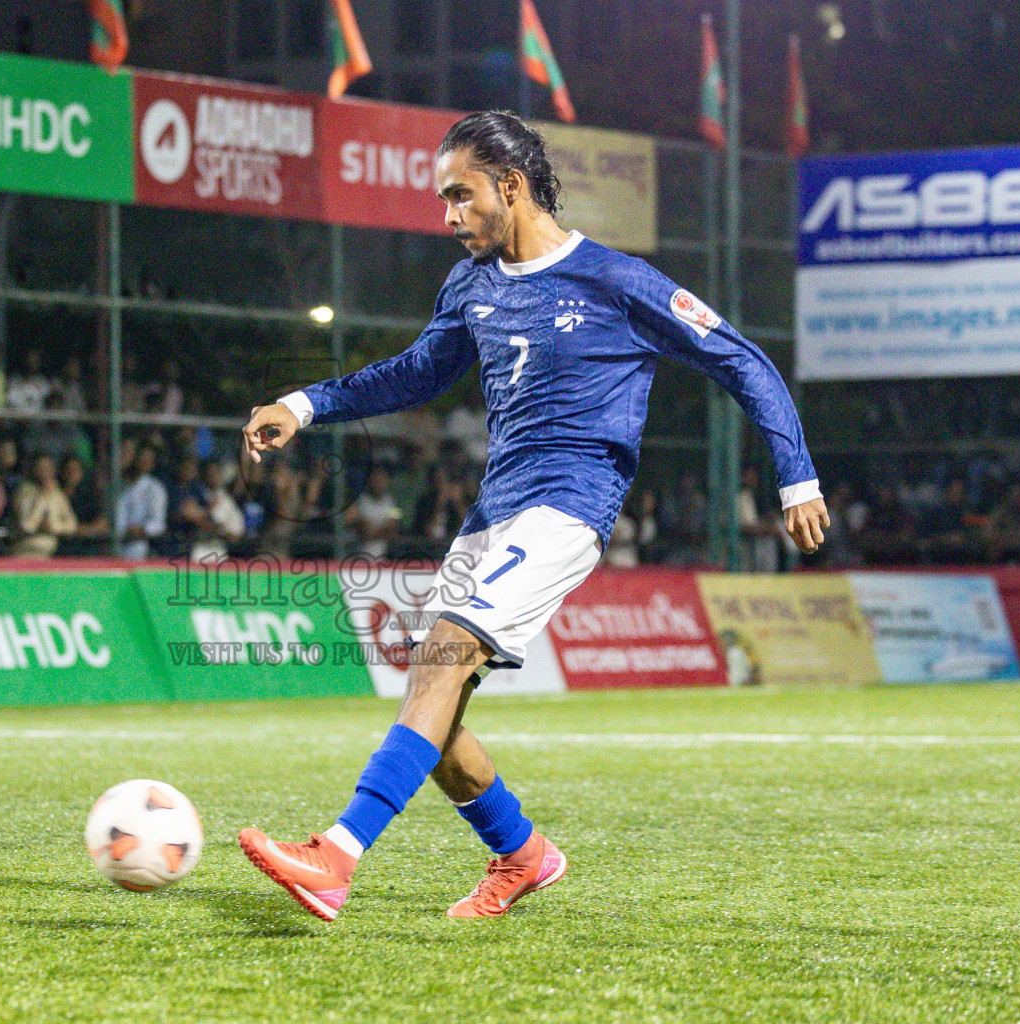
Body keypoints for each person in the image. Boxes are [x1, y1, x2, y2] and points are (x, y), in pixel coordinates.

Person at [236, 111, 826, 922]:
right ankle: (523, 855)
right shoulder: (470, 284)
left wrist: (796, 478)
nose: (446, 216)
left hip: (569, 508)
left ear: (510, 187)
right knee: (435, 725)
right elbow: (415, 374)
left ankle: (335, 858)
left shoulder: (617, 282)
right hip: (491, 517)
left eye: (459, 195)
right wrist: (305, 404)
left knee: (443, 660)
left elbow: (742, 360)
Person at [11, 453, 76, 557]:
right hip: (25, 552)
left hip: (49, 554)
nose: (45, 471)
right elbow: (27, 526)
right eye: (41, 467)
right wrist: (43, 497)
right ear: (34, 470)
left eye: (48, 467)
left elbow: (72, 526)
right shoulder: (25, 492)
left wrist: (53, 526)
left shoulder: (57, 494)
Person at [115, 440, 167, 560]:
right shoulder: (117, 485)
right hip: (111, 548)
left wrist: (141, 530)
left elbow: (158, 524)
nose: (144, 462)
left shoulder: (154, 488)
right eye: (142, 458)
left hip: (138, 550)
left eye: (148, 459)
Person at [343, 465, 402, 559]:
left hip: (382, 557)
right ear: (369, 482)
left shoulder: (392, 502)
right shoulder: (360, 501)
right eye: (376, 480)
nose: (379, 483)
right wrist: (383, 531)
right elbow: (366, 531)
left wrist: (376, 531)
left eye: (382, 480)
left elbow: (393, 527)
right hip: (359, 558)